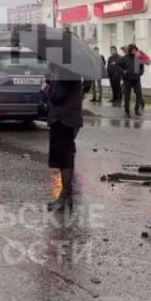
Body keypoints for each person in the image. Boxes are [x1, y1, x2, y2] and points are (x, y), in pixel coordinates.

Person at [45, 76, 84, 211]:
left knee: (64, 158)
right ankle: (67, 196)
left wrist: (47, 87)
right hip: (68, 119)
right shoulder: (71, 71)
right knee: (66, 156)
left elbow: (57, 96)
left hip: (63, 120)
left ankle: (64, 196)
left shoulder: (65, 73)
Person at [118, 43, 150, 117]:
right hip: (127, 80)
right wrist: (123, 72)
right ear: (129, 50)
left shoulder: (138, 58)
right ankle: (127, 110)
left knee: (139, 95)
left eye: (135, 50)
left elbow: (142, 66)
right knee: (127, 96)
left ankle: (137, 109)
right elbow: (118, 66)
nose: (134, 51)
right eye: (132, 50)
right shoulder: (124, 58)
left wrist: (140, 73)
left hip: (136, 80)